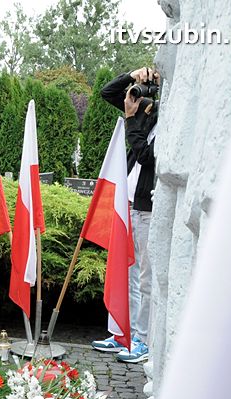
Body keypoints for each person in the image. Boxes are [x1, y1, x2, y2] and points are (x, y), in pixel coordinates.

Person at [92, 66, 159, 364]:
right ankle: (123, 333)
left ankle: (142, 339)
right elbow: (108, 93)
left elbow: (146, 156)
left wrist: (132, 120)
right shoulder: (144, 109)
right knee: (127, 274)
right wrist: (134, 77)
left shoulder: (164, 121)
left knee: (144, 278)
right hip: (128, 205)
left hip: (147, 208)